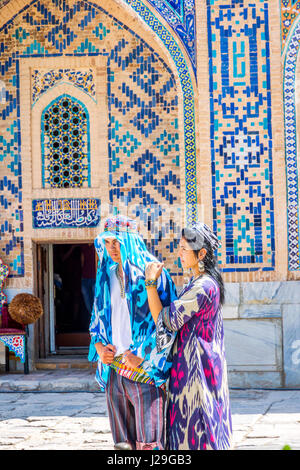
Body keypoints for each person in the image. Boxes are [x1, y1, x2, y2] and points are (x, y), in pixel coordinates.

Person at [88, 215, 177, 450]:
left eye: (116, 241)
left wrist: (144, 356)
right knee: (122, 445)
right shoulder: (105, 275)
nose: (111, 248)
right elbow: (96, 320)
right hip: (114, 371)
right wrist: (99, 348)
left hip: (145, 371)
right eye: (106, 242)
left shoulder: (153, 273)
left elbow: (168, 322)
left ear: (131, 240)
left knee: (150, 444)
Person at [145, 222, 232, 450]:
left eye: (184, 249)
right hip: (194, 373)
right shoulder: (199, 283)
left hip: (196, 379)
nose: (179, 253)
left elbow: (166, 320)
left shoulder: (203, 287)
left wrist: (150, 283)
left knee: (197, 435)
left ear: (201, 253)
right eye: (179, 247)